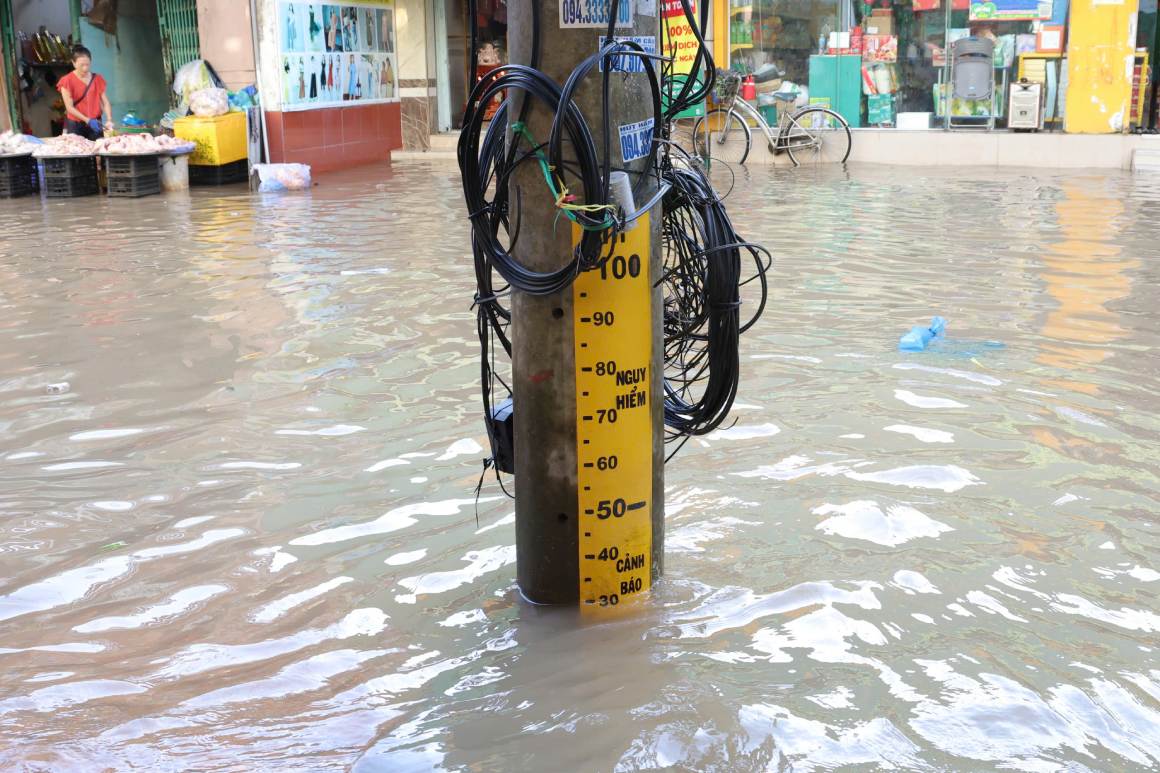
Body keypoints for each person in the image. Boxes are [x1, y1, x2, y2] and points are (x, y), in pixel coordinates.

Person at [58, 46, 112, 140]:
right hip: (76, 125)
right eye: (81, 65)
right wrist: (87, 120)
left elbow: (106, 102)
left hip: (95, 123)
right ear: (73, 63)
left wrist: (109, 119)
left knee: (98, 148)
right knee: (77, 148)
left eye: (87, 64)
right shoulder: (67, 81)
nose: (85, 68)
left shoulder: (97, 79)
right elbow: (69, 107)